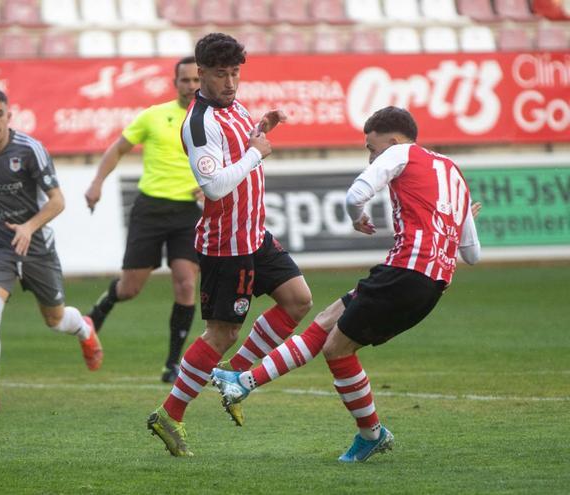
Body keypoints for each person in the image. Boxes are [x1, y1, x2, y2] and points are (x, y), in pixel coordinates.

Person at [211, 106, 482, 462]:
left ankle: (370, 433)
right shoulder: (454, 172)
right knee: (325, 322)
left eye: (372, 148)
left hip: (406, 272)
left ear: (394, 140)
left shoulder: (402, 152)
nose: (371, 156)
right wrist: (458, 219)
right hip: (425, 281)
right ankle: (243, 381)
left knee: (337, 348)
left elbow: (355, 195)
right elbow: (472, 253)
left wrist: (358, 218)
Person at [146, 33, 313, 457]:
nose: (231, 82)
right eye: (221, 74)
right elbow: (215, 186)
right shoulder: (199, 123)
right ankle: (171, 413)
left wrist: (260, 130)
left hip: (254, 234)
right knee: (222, 332)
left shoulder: (235, 106)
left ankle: (233, 375)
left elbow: (239, 149)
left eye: (236, 73)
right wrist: (257, 153)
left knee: (297, 300)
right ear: (200, 74)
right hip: (227, 245)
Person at [0, 88, 103, 412]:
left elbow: (58, 201)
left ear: (8, 115)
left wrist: (28, 227)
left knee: (55, 320)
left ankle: (83, 327)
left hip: (37, 248)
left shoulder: (30, 150)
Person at [84, 56, 201, 384]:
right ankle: (102, 307)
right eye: (185, 80)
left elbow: (229, 160)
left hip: (187, 213)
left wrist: (211, 188)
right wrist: (96, 183)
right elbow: (118, 149)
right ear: (175, 82)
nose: (191, 86)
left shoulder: (211, 120)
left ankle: (172, 364)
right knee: (130, 288)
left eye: (196, 80)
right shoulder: (153, 116)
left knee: (186, 282)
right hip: (150, 208)